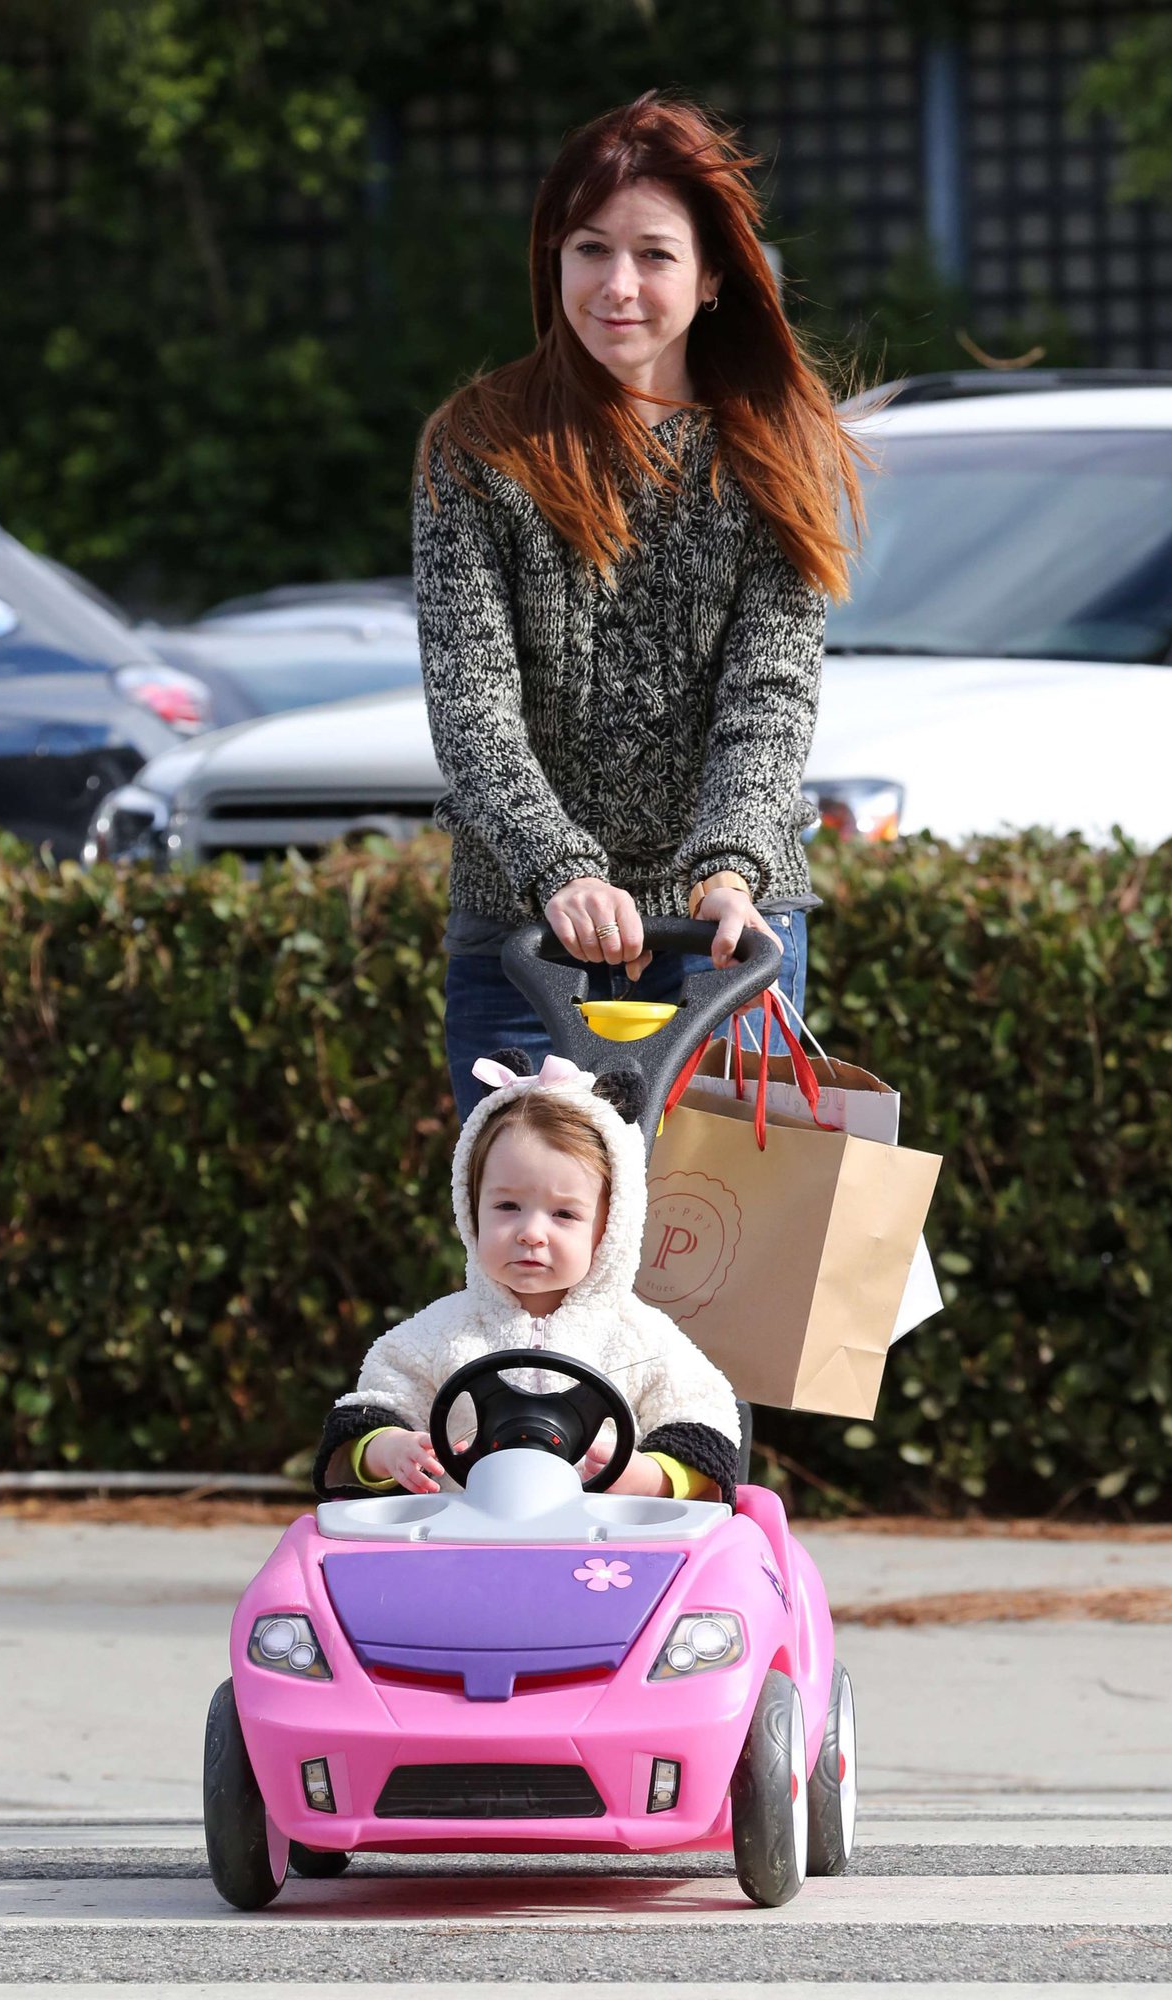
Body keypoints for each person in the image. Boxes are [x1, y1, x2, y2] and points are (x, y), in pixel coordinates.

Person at [412, 92, 866, 1117]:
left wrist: (728, 870)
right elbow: (471, 698)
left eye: (654, 255)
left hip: (725, 938)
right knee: (537, 1260)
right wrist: (559, 868)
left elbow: (771, 692)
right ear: (551, 261)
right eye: (588, 249)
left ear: (711, 278)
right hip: (526, 945)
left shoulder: (772, 446)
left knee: (719, 1265)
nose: (617, 285)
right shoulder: (476, 446)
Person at [313, 1052, 743, 1505]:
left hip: (608, 1554)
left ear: (610, 1227)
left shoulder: (643, 1340)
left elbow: (705, 1426)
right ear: (470, 1208)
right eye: (506, 1207)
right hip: (457, 1544)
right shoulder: (438, 1334)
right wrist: (387, 1449)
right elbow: (372, 1409)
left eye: (563, 1214)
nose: (531, 1233)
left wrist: (652, 1476)